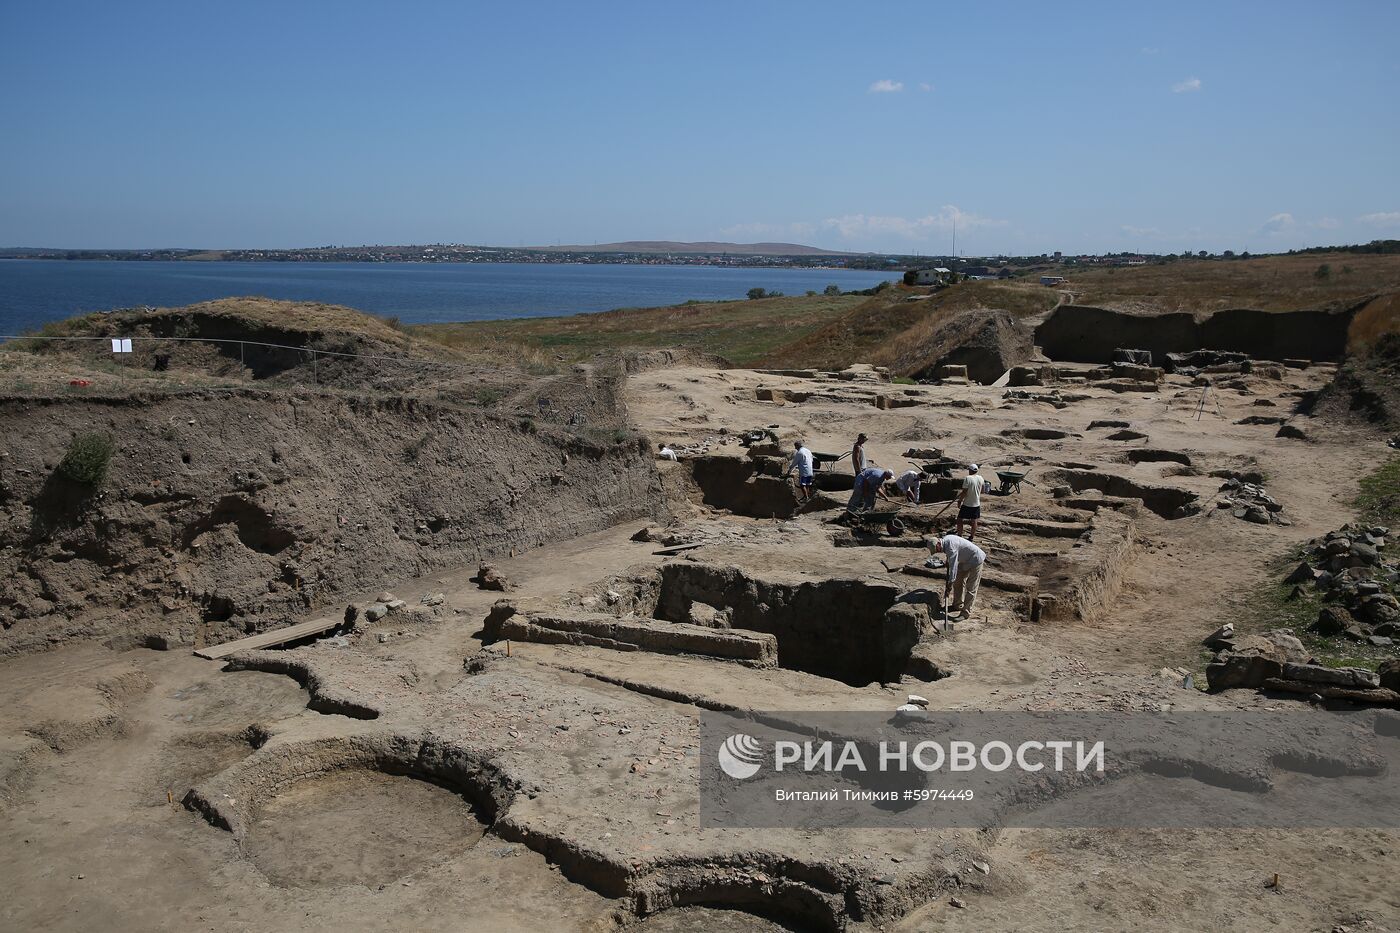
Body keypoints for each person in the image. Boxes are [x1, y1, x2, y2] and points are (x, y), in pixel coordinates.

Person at [933, 533, 986, 619]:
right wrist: (948, 561)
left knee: (971, 588)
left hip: (976, 559)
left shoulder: (950, 546)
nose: (938, 552)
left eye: (937, 550)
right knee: (958, 582)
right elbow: (950, 556)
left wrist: (949, 585)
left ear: (938, 544)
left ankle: (965, 613)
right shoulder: (945, 540)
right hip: (965, 561)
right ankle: (957, 605)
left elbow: (953, 568)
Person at [955, 463, 991, 539]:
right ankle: (971, 537)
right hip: (976, 504)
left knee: (959, 519)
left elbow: (964, 492)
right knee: (974, 521)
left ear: (970, 470)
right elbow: (983, 491)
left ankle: (959, 535)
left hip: (967, 504)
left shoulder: (968, 478)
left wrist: (959, 501)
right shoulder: (981, 478)